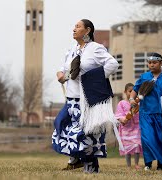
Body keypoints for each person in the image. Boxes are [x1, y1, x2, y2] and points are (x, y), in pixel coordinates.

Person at [51, 19, 119, 173]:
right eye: (74, 26)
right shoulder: (71, 50)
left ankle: (90, 167)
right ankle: (75, 159)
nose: (74, 29)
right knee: (60, 124)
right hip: (71, 100)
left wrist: (92, 78)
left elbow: (113, 64)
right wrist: (61, 75)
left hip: (86, 101)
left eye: (78, 26)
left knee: (83, 134)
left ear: (87, 31)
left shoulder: (95, 48)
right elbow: (64, 69)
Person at [115, 83, 142, 170]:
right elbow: (118, 114)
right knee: (127, 147)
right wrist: (123, 119)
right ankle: (129, 166)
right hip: (126, 129)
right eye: (130, 91)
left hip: (136, 128)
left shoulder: (138, 103)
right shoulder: (121, 103)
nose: (131, 93)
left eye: (134, 92)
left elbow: (141, 113)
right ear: (125, 92)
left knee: (137, 144)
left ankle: (137, 164)